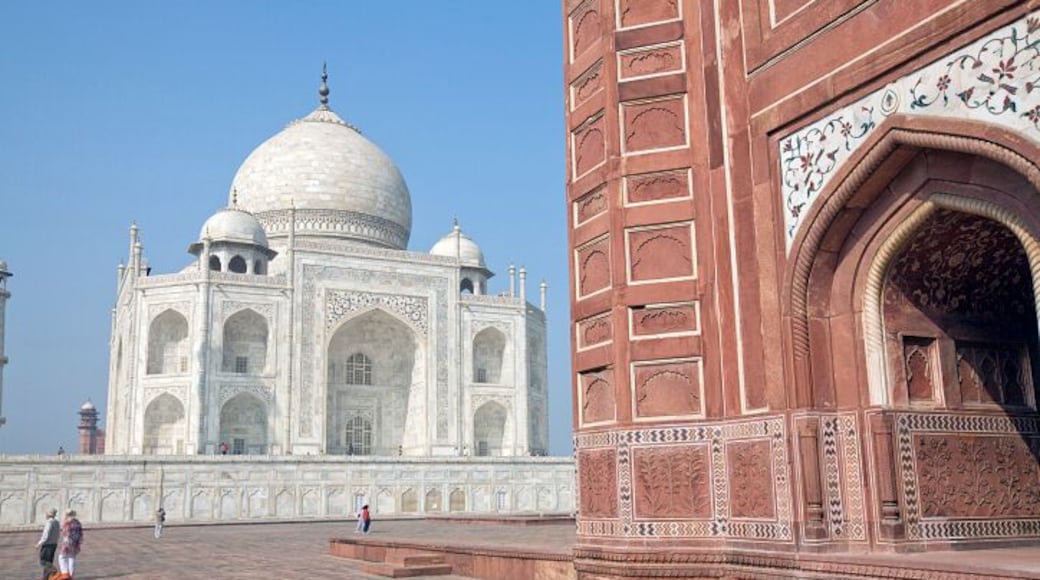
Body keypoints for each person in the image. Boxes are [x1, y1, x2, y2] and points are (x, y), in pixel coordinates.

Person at [34, 508, 59, 580]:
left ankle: (53, 570)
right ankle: (45, 578)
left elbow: (45, 535)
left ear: (48, 514)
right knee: (49, 561)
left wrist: (39, 544)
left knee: (44, 561)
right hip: (54, 544)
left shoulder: (49, 523)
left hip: (48, 545)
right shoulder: (56, 522)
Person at [57, 509, 83, 579]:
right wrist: (79, 542)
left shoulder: (67, 522)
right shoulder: (77, 522)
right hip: (75, 543)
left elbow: (65, 532)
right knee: (71, 558)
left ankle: (65, 574)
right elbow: (81, 533)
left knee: (62, 557)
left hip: (67, 542)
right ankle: (71, 576)